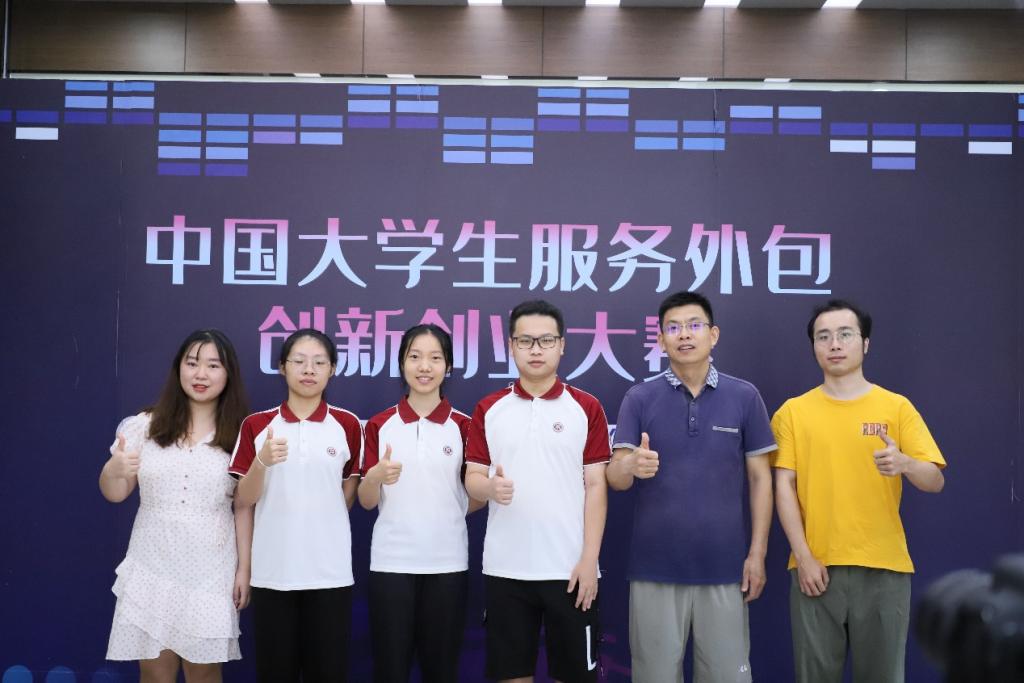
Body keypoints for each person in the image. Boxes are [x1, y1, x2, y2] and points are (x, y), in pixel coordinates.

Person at [772, 299, 946, 683]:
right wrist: (803, 556)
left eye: (845, 334)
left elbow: (934, 480)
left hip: (884, 568)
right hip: (815, 568)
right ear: (814, 346)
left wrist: (905, 463)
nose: (834, 344)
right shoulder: (793, 413)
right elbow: (783, 485)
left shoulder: (896, 407)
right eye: (823, 337)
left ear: (865, 343)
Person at [607, 291, 775, 683]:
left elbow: (760, 479)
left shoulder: (744, 396)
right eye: (674, 328)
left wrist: (757, 554)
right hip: (654, 569)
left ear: (713, 335)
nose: (684, 334)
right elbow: (615, 477)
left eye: (694, 325)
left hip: (725, 569)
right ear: (661, 340)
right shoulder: (639, 398)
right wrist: (630, 465)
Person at [465, 299, 610, 683]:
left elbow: (596, 485)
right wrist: (489, 488)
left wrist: (589, 560)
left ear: (561, 345)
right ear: (510, 346)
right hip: (506, 568)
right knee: (511, 674)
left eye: (546, 340)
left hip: (570, 569)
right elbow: (472, 477)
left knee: (575, 675)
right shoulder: (489, 408)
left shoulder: (586, 407)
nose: (535, 349)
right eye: (525, 341)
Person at [100, 329, 252, 682]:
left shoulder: (242, 434)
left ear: (228, 374)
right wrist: (113, 469)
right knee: (154, 671)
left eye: (213, 365)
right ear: (178, 368)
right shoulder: (144, 426)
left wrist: (244, 570)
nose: (201, 374)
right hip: (152, 560)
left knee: (204, 671)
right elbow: (115, 492)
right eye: (192, 363)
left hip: (212, 565)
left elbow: (244, 507)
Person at [229, 328, 362, 683]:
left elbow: (349, 490)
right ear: (282, 367)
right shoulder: (257, 425)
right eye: (299, 361)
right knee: (275, 673)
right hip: (273, 574)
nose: (309, 370)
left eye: (319, 362)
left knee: (328, 673)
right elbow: (243, 499)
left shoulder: (347, 425)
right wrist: (262, 462)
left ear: (332, 369)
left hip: (330, 575)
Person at [359, 324, 481, 682]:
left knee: (441, 669)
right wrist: (375, 477)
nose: (424, 367)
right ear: (402, 363)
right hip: (391, 563)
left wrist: (449, 511)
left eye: (435, 358)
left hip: (448, 563)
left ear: (448, 366)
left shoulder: (464, 426)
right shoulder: (380, 425)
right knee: (390, 668)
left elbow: (476, 494)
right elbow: (366, 501)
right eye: (415, 357)